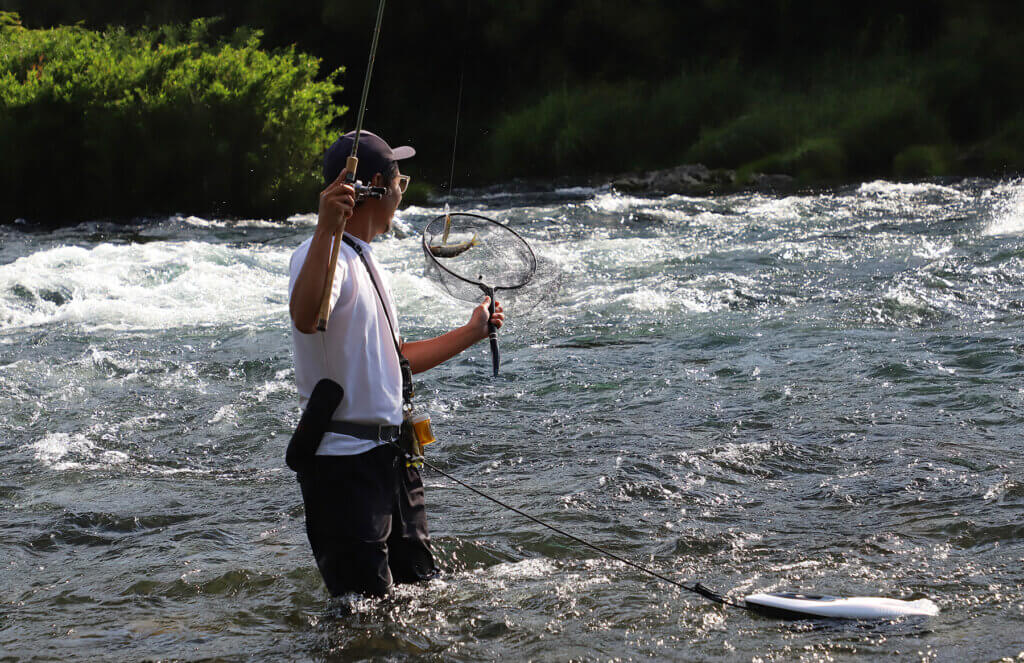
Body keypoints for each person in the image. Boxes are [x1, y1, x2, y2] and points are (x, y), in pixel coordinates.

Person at [288, 130, 504, 597]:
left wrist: (473, 331)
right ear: (375, 188)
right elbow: (306, 318)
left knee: (421, 599)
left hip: (392, 462)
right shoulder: (319, 254)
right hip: (344, 472)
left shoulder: (367, 259)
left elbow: (397, 359)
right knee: (363, 621)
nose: (403, 188)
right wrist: (326, 226)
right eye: (399, 179)